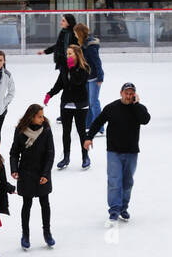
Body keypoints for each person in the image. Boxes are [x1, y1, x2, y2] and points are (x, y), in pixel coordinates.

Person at [84, 82, 150, 221]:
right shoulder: (112, 108)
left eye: (131, 93)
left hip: (132, 152)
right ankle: (114, 209)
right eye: (126, 93)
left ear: (135, 95)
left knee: (127, 182)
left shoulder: (138, 109)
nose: (128, 96)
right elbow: (98, 121)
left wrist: (136, 104)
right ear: (121, 93)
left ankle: (123, 208)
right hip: (114, 151)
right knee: (114, 181)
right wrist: (89, 137)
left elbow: (145, 120)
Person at [9, 104, 55, 249]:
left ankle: (47, 233)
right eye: (39, 116)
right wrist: (14, 169)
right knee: (26, 204)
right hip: (26, 172)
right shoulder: (20, 130)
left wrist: (46, 173)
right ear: (32, 117)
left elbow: (50, 153)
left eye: (42, 116)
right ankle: (25, 235)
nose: (42, 119)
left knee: (44, 203)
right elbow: (14, 152)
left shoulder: (46, 129)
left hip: (42, 172)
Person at [45, 42, 92, 170]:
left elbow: (78, 82)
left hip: (80, 104)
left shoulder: (85, 68)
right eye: (67, 53)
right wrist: (50, 94)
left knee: (82, 132)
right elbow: (59, 83)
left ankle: (85, 156)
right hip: (66, 103)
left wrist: (72, 69)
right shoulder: (65, 67)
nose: (68, 56)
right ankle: (66, 157)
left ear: (77, 54)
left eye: (70, 53)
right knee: (66, 132)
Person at [74, 22, 104, 133]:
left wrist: (100, 77)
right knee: (87, 101)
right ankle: (89, 124)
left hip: (94, 78)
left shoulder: (90, 46)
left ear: (80, 33)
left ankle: (99, 128)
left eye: (76, 33)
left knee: (94, 102)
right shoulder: (82, 45)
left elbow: (97, 62)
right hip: (86, 78)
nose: (75, 35)